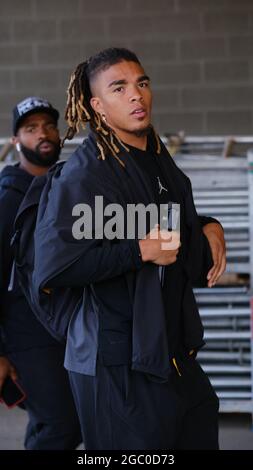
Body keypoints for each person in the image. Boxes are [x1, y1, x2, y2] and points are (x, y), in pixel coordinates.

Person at [33, 49, 226, 450]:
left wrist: (207, 224)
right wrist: (139, 251)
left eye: (141, 83)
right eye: (119, 88)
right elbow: (58, 265)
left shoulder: (154, 157)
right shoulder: (86, 174)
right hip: (113, 361)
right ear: (97, 106)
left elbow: (161, 220)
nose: (136, 95)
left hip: (166, 348)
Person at [0, 97, 82, 450]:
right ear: (16, 141)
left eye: (48, 126)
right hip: (26, 335)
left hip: (63, 326)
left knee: (54, 421)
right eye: (31, 129)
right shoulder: (6, 199)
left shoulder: (65, 186)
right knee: (62, 426)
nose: (43, 134)